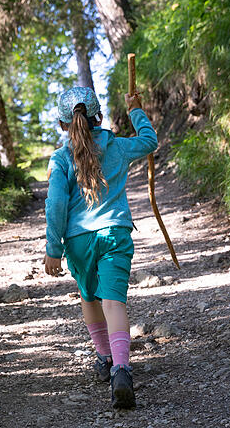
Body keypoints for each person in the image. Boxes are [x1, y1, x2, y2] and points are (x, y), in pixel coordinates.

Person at [44, 86, 157, 409]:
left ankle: (104, 357)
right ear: (99, 117)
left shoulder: (60, 158)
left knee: (89, 297)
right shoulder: (117, 147)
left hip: (78, 242)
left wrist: (54, 247)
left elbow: (56, 204)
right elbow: (150, 141)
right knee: (114, 303)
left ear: (63, 124)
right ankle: (122, 369)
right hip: (114, 234)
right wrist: (136, 110)